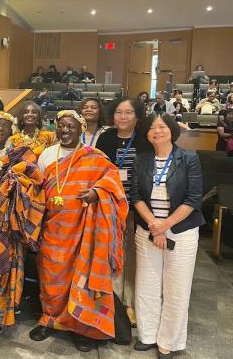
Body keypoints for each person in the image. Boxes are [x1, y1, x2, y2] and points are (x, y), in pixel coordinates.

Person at [30, 110, 127, 352]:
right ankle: (50, 320)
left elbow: (113, 181)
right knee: (50, 277)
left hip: (83, 231)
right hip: (52, 228)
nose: (65, 130)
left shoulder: (95, 156)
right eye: (61, 126)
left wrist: (97, 193)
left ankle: (79, 327)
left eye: (71, 127)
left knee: (79, 278)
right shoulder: (46, 155)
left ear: (81, 129)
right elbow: (37, 189)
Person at [130, 113, 204, 359]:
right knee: (146, 286)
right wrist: (153, 224)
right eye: (152, 127)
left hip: (181, 231)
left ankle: (168, 342)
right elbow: (136, 196)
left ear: (172, 130)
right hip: (147, 230)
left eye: (162, 126)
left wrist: (166, 226)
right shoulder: (141, 159)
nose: (157, 131)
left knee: (176, 288)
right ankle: (148, 335)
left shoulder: (189, 158)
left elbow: (193, 199)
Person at [0, 112, 44, 334]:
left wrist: (14, 184)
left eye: (4, 125)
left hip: (8, 221)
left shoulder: (18, 152)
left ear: (11, 130)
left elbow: (32, 179)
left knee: (5, 266)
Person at [96, 98, 151, 326]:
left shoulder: (144, 140)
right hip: (110, 205)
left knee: (134, 256)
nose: (123, 117)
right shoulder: (106, 138)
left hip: (136, 206)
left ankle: (131, 304)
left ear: (137, 116)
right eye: (119, 112)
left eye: (128, 112)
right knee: (112, 253)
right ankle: (113, 302)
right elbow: (96, 168)